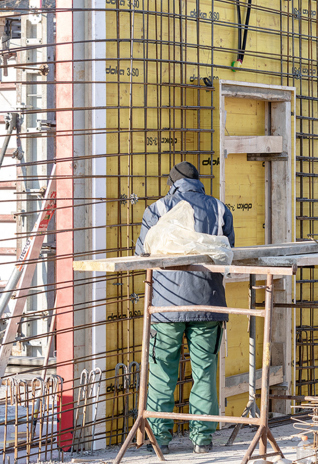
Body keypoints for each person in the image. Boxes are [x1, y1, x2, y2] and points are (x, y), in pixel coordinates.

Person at [134, 161, 235, 454]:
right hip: (208, 302)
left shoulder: (156, 210)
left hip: (165, 305)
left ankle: (159, 439)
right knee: (205, 371)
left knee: (162, 370)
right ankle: (202, 439)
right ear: (199, 182)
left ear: (171, 183)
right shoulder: (219, 209)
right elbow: (226, 252)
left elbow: (143, 252)